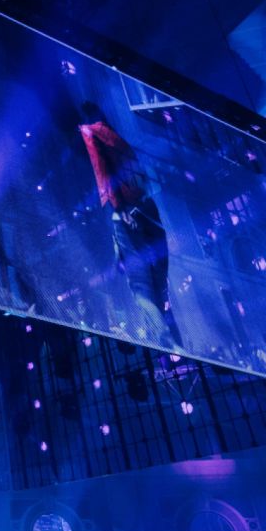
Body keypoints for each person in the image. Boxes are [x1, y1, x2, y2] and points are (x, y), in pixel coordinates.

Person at [77, 101, 180, 348]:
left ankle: (165, 339)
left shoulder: (91, 132)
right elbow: (137, 175)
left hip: (126, 213)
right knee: (158, 283)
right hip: (147, 208)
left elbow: (101, 171)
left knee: (142, 286)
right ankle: (171, 338)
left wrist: (119, 207)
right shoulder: (121, 141)